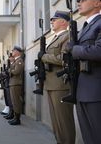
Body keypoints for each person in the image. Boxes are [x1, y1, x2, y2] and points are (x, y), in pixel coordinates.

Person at [69, 0, 101, 143]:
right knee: (88, 137)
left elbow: (98, 51)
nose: (79, 3)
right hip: (82, 90)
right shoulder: (84, 28)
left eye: (84, 0)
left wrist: (74, 50)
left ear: (97, 3)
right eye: (79, 0)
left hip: (96, 91)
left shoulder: (99, 23)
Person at [40, 11, 75, 144]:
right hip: (51, 84)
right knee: (56, 122)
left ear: (63, 22)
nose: (52, 22)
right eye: (52, 20)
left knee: (64, 121)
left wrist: (43, 57)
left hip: (61, 84)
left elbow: (64, 59)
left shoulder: (67, 37)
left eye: (55, 19)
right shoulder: (55, 38)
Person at [8, 46, 24, 125]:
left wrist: (10, 70)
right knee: (14, 101)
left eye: (13, 51)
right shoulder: (16, 61)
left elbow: (17, 71)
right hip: (13, 83)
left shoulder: (19, 61)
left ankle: (17, 119)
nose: (12, 52)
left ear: (18, 52)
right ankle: (15, 117)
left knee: (16, 101)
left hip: (16, 83)